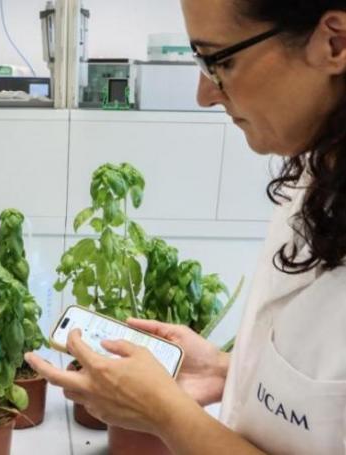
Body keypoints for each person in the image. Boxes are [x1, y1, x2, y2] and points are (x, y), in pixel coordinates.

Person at [26, 1, 346, 454]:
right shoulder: (317, 176)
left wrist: (163, 412)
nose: (204, 93)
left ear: (335, 42)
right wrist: (227, 371)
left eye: (219, 60)